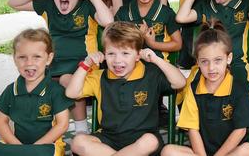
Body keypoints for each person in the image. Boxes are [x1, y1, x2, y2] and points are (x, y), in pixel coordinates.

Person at [7, 0, 113, 134]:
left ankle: (81, 130)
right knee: (35, 82)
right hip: (53, 63)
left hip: (84, 64)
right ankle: (37, 128)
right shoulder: (48, 4)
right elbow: (13, 3)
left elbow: (108, 21)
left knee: (67, 80)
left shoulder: (87, 6)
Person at [66, 21, 187, 156]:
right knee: (78, 141)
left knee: (150, 141)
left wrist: (156, 59)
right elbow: (71, 93)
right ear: (104, 54)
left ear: (137, 55)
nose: (118, 60)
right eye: (111, 54)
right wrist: (86, 64)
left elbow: (180, 82)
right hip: (109, 139)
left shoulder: (151, 73)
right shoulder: (99, 77)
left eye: (125, 53)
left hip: (142, 142)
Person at [0, 29, 73, 156]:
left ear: (49, 58)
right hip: (16, 146)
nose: (29, 63)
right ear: (14, 59)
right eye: (22, 57)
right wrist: (20, 149)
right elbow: (0, 123)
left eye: (37, 57)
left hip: (46, 148)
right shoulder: (11, 90)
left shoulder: (56, 91)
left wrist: (32, 150)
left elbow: (62, 125)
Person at [161, 20, 249, 156]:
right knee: (168, 151)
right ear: (197, 62)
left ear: (228, 58)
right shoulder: (193, 89)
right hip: (201, 152)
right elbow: (192, 130)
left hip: (230, 152)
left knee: (248, 149)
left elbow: (240, 131)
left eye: (218, 60)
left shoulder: (238, 88)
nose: (211, 68)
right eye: (205, 62)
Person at [114, 0, 182, 63]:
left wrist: (152, 44)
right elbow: (115, 44)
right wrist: (138, 37)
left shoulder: (167, 13)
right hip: (129, 69)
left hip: (159, 68)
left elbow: (177, 44)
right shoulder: (123, 13)